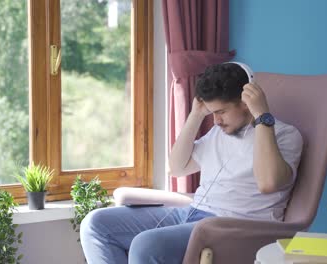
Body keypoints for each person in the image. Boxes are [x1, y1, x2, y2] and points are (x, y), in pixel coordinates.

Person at [79, 62, 303, 264]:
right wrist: (195, 115)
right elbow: (177, 168)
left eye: (221, 112)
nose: (216, 120)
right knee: (95, 225)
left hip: (231, 229)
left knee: (145, 245)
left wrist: (262, 116)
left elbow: (268, 183)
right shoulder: (218, 133)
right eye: (212, 112)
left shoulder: (285, 135)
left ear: (246, 102)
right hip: (191, 215)